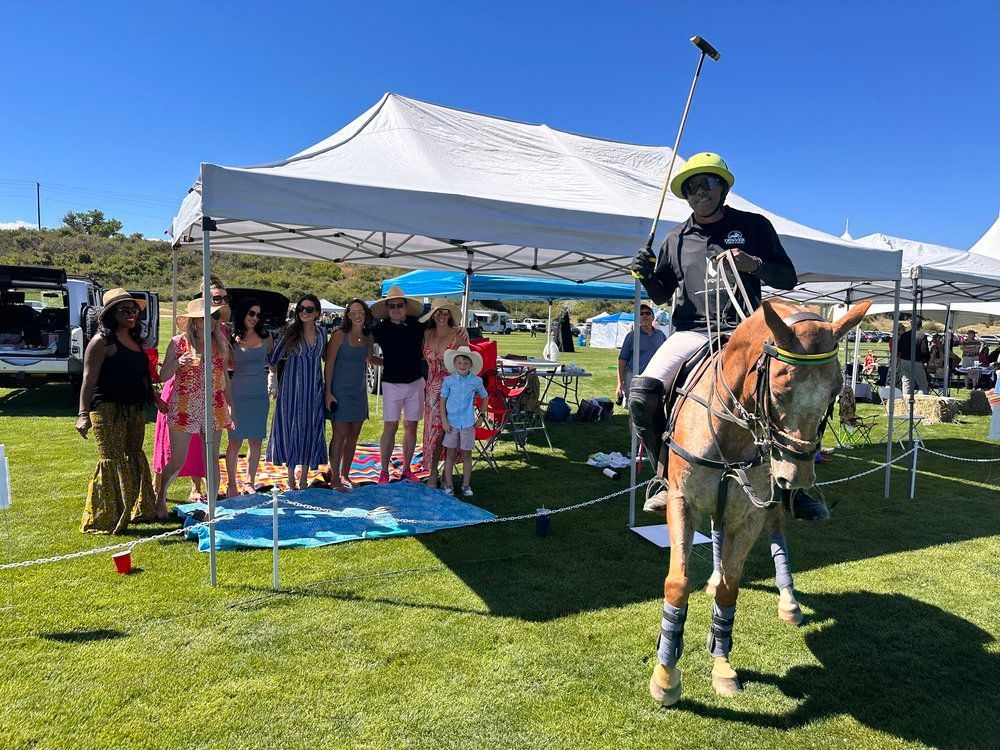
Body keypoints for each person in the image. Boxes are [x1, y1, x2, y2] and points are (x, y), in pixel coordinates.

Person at [626, 153, 821, 518]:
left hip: (746, 333)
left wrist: (755, 265)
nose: (700, 191)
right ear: (685, 195)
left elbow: (787, 277)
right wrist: (646, 275)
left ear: (723, 187)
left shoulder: (754, 226)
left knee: (798, 391)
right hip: (693, 332)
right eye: (691, 186)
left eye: (707, 183)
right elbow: (661, 295)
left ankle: (801, 487)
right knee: (641, 394)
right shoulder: (675, 239)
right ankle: (664, 476)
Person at [76, 289, 165, 534]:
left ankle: (139, 509)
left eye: (134, 310)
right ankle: (105, 518)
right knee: (112, 461)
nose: (132, 315)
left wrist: (156, 398)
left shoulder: (136, 341)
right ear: (110, 314)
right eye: (125, 310)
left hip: (134, 409)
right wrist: (83, 415)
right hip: (107, 411)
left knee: (134, 456)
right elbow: (88, 380)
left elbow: (142, 376)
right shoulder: (101, 342)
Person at [153, 275, 229, 502]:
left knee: (212, 460)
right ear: (194, 321)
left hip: (213, 406)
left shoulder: (220, 343)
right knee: (178, 460)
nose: (213, 321)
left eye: (215, 317)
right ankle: (160, 497)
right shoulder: (178, 343)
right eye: (207, 317)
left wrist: (230, 404)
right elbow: (162, 375)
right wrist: (178, 363)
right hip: (184, 406)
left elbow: (225, 376)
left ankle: (212, 508)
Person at [267, 294, 328, 491]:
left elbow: (328, 358)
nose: (304, 312)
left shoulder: (322, 333)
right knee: (292, 428)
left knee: (310, 429)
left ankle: (304, 478)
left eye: (309, 309)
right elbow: (273, 359)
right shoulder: (289, 332)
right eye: (301, 308)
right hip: (292, 389)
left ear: (317, 313)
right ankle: (291, 477)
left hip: (314, 389)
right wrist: (273, 379)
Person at [370, 286, 427, 484]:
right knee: (390, 427)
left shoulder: (418, 326)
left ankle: (407, 469)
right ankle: (384, 471)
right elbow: (369, 356)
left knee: (411, 427)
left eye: (399, 305)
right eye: (392, 306)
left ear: (405, 307)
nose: (396, 309)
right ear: (387, 309)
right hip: (392, 384)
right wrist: (387, 363)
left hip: (415, 383)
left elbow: (442, 330)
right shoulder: (379, 329)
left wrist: (460, 330)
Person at [324, 299, 375, 492]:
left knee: (354, 435)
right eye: (353, 312)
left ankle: (345, 474)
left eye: (360, 311)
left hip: (359, 392)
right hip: (339, 391)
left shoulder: (368, 336)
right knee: (340, 435)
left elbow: (370, 359)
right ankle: (334, 477)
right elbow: (328, 365)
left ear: (365, 314)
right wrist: (328, 392)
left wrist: (394, 362)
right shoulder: (338, 335)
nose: (357, 315)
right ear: (347, 315)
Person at [225, 297, 274, 496]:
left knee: (256, 441)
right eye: (251, 313)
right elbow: (226, 364)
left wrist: (272, 377)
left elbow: (271, 360)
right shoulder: (230, 338)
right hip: (237, 393)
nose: (254, 318)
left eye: (258, 314)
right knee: (235, 441)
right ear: (243, 313)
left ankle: (249, 482)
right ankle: (231, 484)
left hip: (259, 394)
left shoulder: (266, 336)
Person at [420, 298, 470, 488]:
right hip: (432, 391)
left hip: (453, 390)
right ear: (432, 315)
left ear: (449, 314)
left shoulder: (459, 335)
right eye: (437, 312)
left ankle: (443, 475)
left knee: (447, 431)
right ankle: (434, 472)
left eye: (444, 312)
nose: (441, 316)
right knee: (433, 432)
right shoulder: (426, 334)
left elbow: (468, 364)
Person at [439, 346, 488, 497]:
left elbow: (484, 397)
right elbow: (442, 401)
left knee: (467, 454)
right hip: (451, 423)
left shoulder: (476, 381)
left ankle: (466, 485)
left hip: (467, 423)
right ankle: (449, 484)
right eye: (459, 362)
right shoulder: (448, 381)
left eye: (465, 363)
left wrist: (481, 416)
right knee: (450, 455)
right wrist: (444, 421)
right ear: (454, 364)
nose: (462, 365)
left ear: (471, 365)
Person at [616, 303, 666, 404]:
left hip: (655, 377)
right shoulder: (631, 336)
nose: (644, 316)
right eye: (641, 314)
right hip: (635, 377)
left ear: (652, 317)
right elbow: (622, 360)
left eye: (647, 313)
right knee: (635, 409)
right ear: (638, 318)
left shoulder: (660, 335)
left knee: (654, 407)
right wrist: (620, 384)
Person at [896, 317, 930, 396]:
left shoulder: (904, 335)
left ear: (911, 325)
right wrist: (927, 360)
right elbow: (924, 350)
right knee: (922, 384)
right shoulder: (922, 336)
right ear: (920, 326)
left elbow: (899, 348)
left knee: (906, 383)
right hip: (916, 362)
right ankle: (922, 402)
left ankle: (905, 401)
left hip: (904, 361)